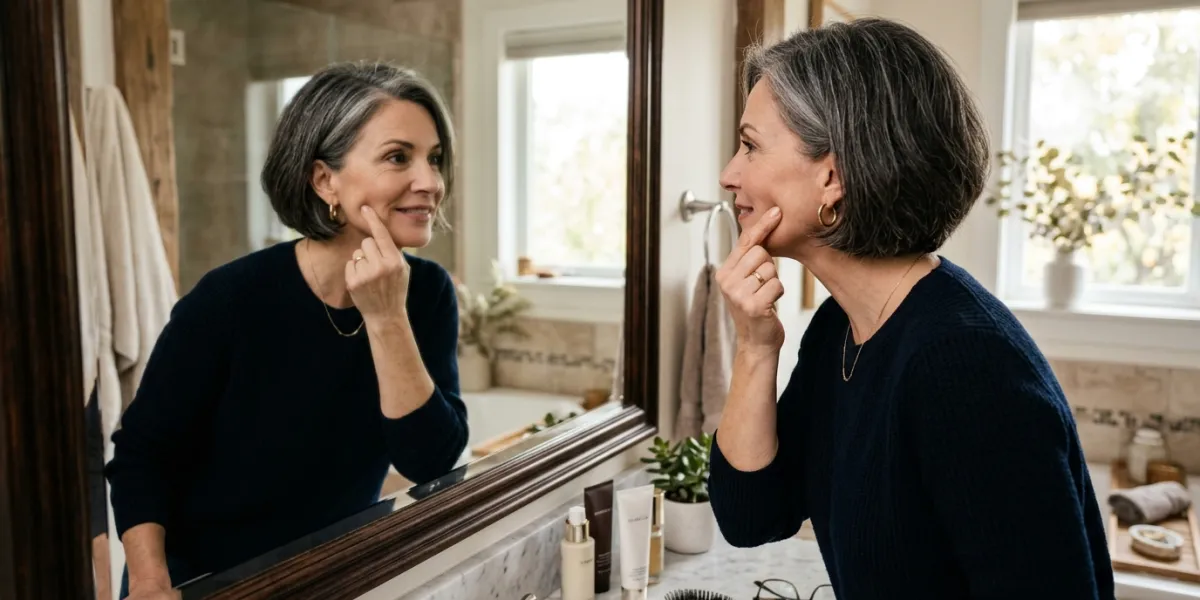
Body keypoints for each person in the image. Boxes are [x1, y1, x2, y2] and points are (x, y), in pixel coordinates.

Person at [708, 18, 1114, 599]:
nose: (729, 174)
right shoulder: (840, 328)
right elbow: (751, 517)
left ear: (834, 175)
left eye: (750, 146)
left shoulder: (963, 364)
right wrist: (754, 347)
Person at [104, 62, 469, 599]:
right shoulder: (229, 299)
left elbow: (430, 463)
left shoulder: (428, 293)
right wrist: (151, 585)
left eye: (434, 159)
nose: (431, 182)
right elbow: (141, 456)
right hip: (205, 582)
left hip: (330, 574)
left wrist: (387, 316)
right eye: (399, 157)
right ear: (325, 180)